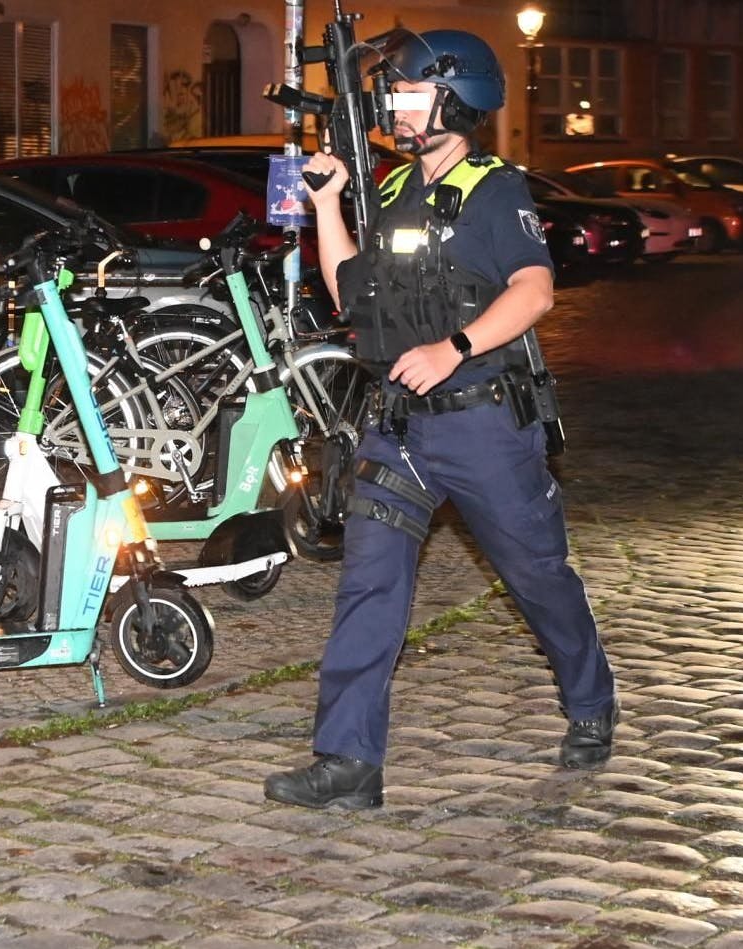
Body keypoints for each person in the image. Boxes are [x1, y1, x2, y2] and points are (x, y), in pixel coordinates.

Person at [264, 30, 617, 810]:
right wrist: (327, 206)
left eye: (410, 92)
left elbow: (533, 292)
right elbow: (350, 293)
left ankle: (590, 698)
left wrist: (453, 346)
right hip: (399, 427)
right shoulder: (390, 190)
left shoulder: (497, 190)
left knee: (536, 574)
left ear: (456, 99)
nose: (395, 106)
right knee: (368, 582)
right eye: (393, 93)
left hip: (482, 424)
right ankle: (348, 761)